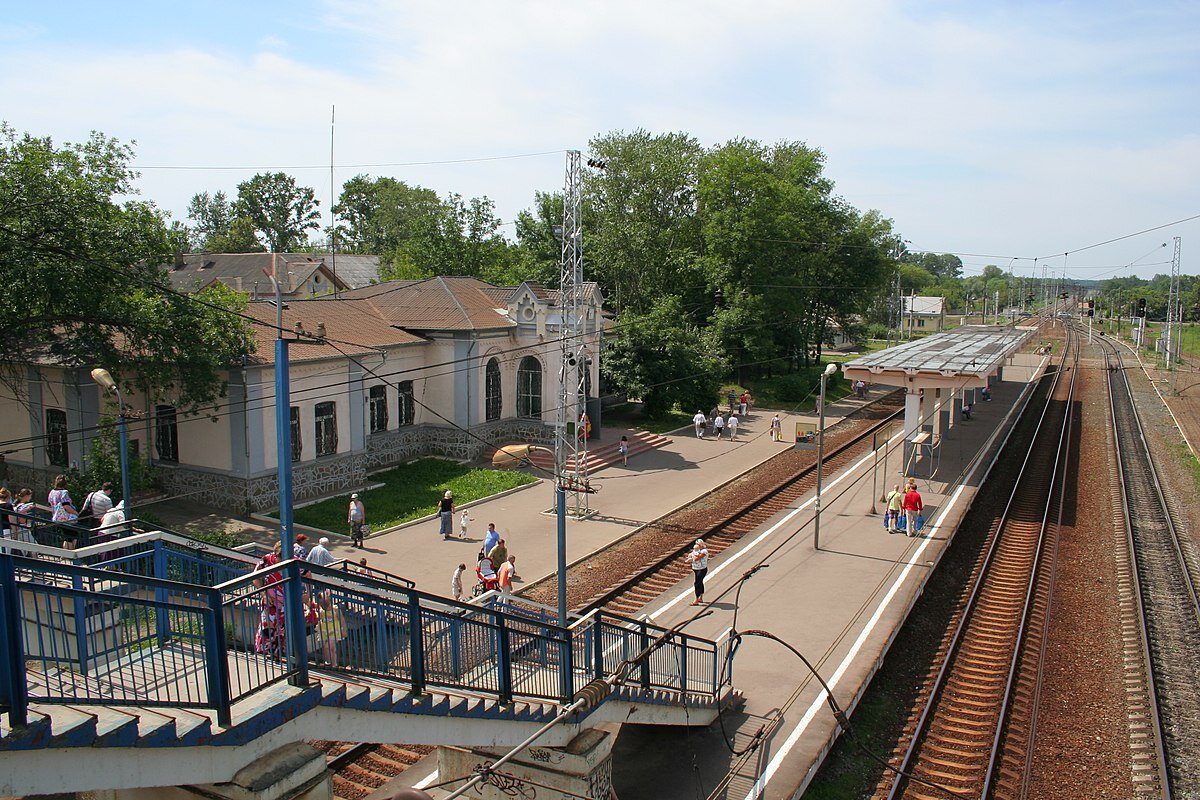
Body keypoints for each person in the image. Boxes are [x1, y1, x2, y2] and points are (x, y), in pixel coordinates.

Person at [48, 474, 79, 548]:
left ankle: (65, 553)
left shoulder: (52, 492)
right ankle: (69, 553)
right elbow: (66, 506)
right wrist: (75, 513)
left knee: (68, 536)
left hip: (57, 517)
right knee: (72, 536)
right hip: (66, 518)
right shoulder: (64, 492)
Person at [686, 539, 709, 606]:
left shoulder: (704, 551)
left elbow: (697, 558)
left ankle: (696, 599)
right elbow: (692, 555)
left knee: (697, 583)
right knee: (700, 582)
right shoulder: (696, 550)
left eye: (698, 544)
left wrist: (693, 555)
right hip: (696, 568)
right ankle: (700, 597)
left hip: (702, 569)